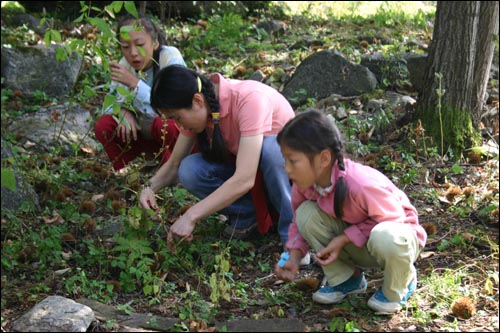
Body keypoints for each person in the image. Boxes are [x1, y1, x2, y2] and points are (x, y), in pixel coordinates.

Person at [274, 109, 427, 314]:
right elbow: (297, 224)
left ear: (324, 158)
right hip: (361, 243)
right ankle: (347, 279)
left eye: (293, 161)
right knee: (305, 214)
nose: (287, 169)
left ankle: (401, 281)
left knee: (386, 236)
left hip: (397, 239)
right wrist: (293, 257)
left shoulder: (360, 184)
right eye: (285, 160)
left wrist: (344, 238)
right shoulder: (304, 185)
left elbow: (396, 222)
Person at [138, 65, 295, 246]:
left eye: (177, 118)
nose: (178, 125)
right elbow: (175, 163)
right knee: (190, 169)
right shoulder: (205, 108)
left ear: (197, 101)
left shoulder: (250, 100)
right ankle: (248, 215)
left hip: (287, 179)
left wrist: (191, 216)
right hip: (252, 175)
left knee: (271, 148)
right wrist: (149, 188)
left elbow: (245, 178)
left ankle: (293, 236)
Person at [94, 14, 187, 173]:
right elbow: (108, 107)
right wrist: (122, 111)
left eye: (140, 44)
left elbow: (172, 106)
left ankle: (173, 171)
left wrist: (135, 84)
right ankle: (125, 170)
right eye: (125, 46)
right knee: (104, 124)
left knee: (163, 124)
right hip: (145, 134)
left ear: (155, 42)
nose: (133, 53)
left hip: (179, 136)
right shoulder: (124, 65)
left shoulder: (169, 57)